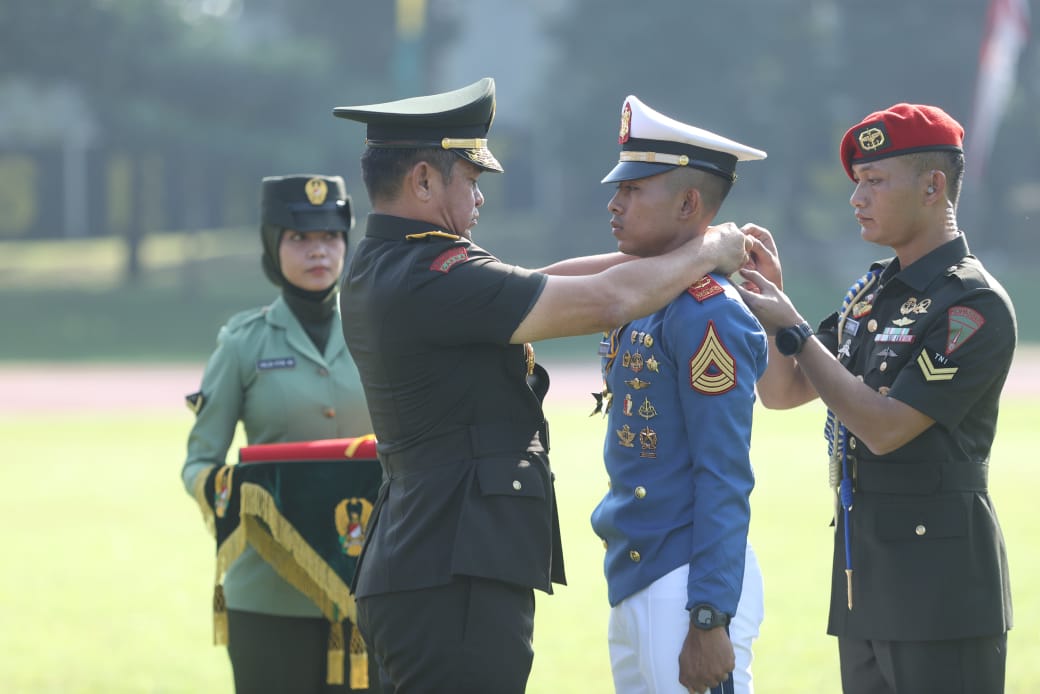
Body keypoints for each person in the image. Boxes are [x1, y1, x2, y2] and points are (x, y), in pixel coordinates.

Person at [331, 77, 752, 693]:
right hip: (455, 576)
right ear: (423, 180)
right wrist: (712, 246)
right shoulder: (433, 273)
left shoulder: (392, 265)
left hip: (424, 563)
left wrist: (688, 252)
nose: (479, 202)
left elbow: (542, 280)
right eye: (469, 181)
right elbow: (608, 300)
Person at [735, 104, 1015, 694]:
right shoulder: (872, 295)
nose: (857, 198)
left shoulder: (972, 305)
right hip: (865, 577)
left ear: (933, 186)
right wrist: (772, 312)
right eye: (857, 183)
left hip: (942, 589)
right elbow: (784, 393)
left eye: (875, 181)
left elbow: (885, 428)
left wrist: (797, 332)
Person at [589, 95, 768, 694]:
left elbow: (724, 472)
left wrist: (711, 615)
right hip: (642, 572)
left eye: (635, 189)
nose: (614, 202)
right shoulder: (646, 294)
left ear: (690, 204)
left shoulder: (706, 314)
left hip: (686, 584)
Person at [181, 174, 380, 693]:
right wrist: (244, 491)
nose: (318, 251)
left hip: (375, 583)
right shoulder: (242, 343)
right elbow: (200, 462)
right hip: (270, 590)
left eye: (330, 237)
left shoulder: (379, 332)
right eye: (299, 238)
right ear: (274, 246)